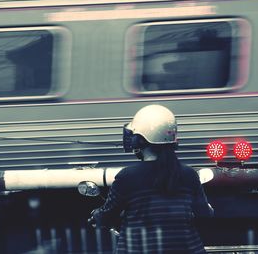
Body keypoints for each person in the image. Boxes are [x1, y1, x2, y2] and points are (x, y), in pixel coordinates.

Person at [89, 104, 214, 253]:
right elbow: (204, 213)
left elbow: (108, 214)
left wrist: (97, 215)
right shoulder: (189, 174)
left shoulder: (127, 177)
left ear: (139, 141)